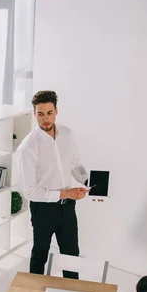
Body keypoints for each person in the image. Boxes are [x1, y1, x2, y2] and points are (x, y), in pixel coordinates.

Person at [17, 90, 89, 277]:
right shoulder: (28, 147)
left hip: (68, 208)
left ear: (56, 111)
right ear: (34, 114)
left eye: (49, 113)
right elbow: (29, 191)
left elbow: (75, 163)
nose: (45, 119)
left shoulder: (67, 134)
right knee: (40, 254)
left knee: (71, 255)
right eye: (40, 114)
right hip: (43, 210)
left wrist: (87, 182)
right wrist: (66, 193)